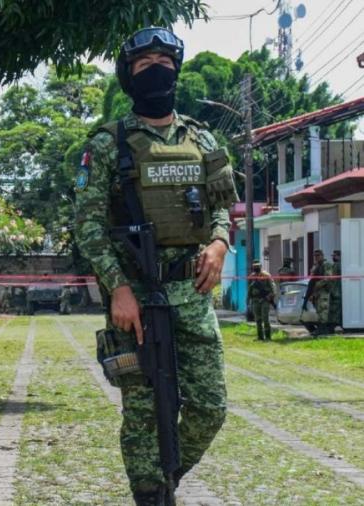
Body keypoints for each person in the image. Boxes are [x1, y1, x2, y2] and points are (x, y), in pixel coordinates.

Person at [73, 27, 234, 505]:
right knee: (143, 414)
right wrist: (118, 288)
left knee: (210, 408)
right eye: (145, 64)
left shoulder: (202, 138)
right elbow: (87, 224)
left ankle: (165, 480)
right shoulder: (109, 143)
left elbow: (221, 205)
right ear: (129, 77)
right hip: (136, 299)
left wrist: (220, 242)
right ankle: (151, 496)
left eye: (165, 62)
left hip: (193, 296)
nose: (157, 70)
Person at [303, 249, 333, 336]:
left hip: (324, 291)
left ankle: (323, 329)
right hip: (316, 292)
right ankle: (320, 329)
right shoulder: (316, 267)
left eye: (318, 255)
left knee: (323, 310)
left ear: (322, 256)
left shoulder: (326, 265)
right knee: (319, 311)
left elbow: (327, 278)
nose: (316, 257)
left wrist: (317, 285)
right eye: (315, 256)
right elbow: (312, 280)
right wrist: (311, 293)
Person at [247, 260, 276, 341]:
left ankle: (268, 337)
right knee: (257, 319)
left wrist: (269, 297)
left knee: (265, 318)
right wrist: (248, 299)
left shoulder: (266, 275)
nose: (256, 268)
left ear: (260, 267)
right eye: (254, 267)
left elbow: (273, 288)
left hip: (265, 300)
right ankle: (260, 337)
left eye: (257, 267)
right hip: (255, 300)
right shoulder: (252, 276)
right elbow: (249, 289)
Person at [329, 250, 342, 332]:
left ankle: (335, 325)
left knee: (336, 308)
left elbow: (332, 277)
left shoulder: (337, 265)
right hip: (336, 289)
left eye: (335, 255)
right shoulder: (337, 265)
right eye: (333, 255)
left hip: (336, 289)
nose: (333, 257)